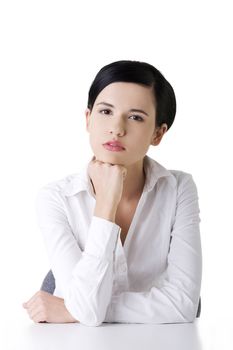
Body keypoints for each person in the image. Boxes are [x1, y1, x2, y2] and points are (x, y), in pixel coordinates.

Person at [22, 60, 202, 326]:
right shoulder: (56, 198)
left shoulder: (178, 189)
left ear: (158, 134)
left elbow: (184, 304)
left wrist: (78, 308)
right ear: (88, 118)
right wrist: (106, 204)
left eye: (135, 117)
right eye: (106, 111)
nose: (117, 129)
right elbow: (174, 304)